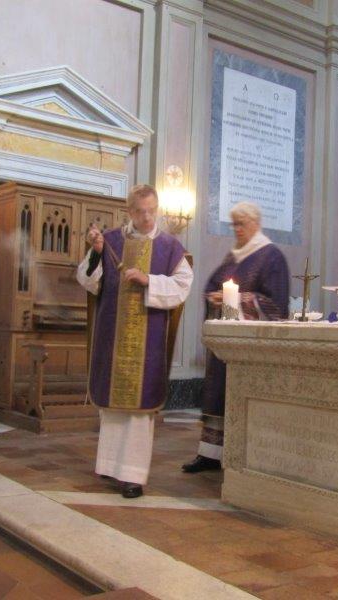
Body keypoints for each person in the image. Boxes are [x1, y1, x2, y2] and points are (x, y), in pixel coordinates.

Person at [77, 184, 193, 498]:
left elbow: (182, 286)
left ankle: (132, 476)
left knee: (139, 413)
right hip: (113, 335)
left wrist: (148, 280)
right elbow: (87, 280)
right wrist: (97, 253)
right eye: (140, 212)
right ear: (129, 211)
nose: (147, 218)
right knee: (113, 409)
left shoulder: (169, 247)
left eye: (152, 211)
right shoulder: (110, 240)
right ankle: (110, 465)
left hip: (148, 339)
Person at [181, 201, 290, 473]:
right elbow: (213, 285)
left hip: (251, 347)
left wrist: (237, 299)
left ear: (256, 224)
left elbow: (277, 304)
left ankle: (243, 455)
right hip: (225, 343)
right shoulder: (234, 256)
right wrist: (214, 297)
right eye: (234, 224)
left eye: (242, 224)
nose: (237, 229)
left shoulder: (271, 256)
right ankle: (210, 453)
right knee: (217, 394)